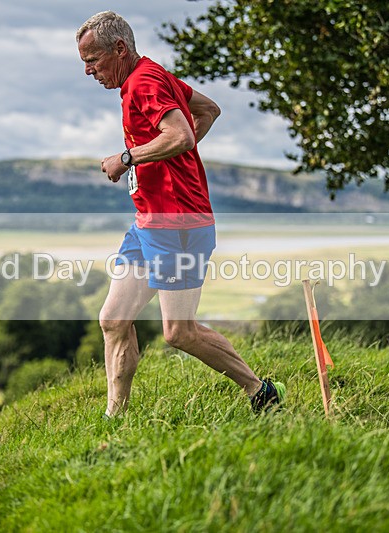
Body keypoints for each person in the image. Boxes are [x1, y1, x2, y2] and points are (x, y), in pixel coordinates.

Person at [76, 11, 284, 418]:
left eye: (93, 60)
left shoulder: (145, 82)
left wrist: (127, 158)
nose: (88, 71)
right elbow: (209, 110)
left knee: (179, 332)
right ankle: (114, 418)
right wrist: (168, 158)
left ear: (119, 48)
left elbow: (182, 134)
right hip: (149, 222)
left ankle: (261, 391)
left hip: (179, 223)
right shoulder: (150, 76)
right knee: (114, 319)